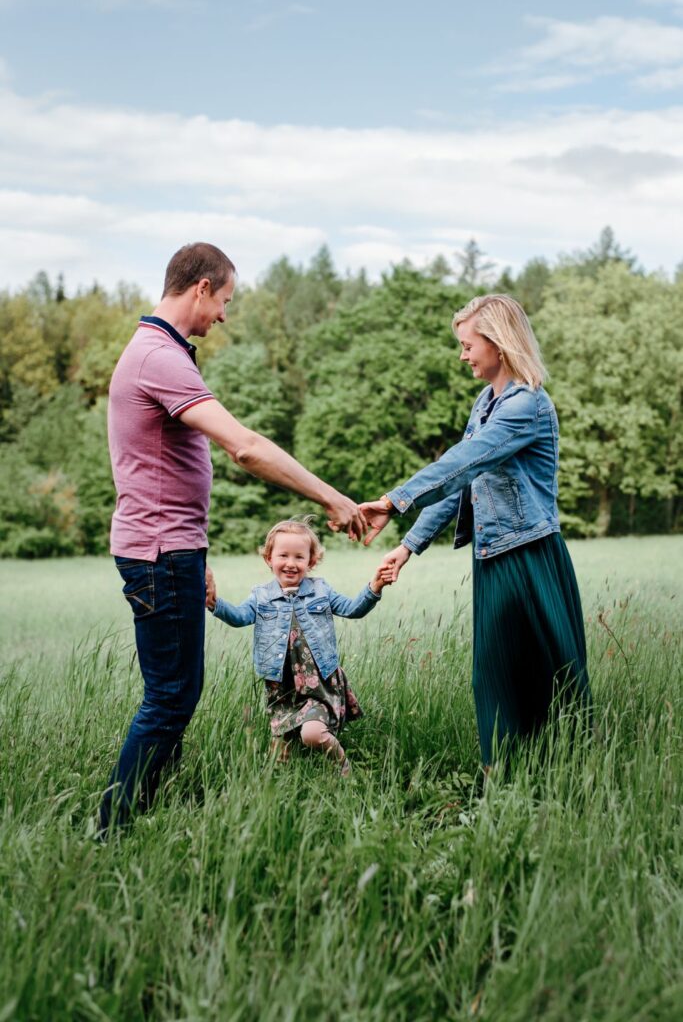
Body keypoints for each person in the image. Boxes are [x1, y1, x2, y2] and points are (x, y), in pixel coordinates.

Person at [100, 243, 366, 831]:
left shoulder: (160, 353)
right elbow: (244, 446)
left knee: (175, 693)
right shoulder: (158, 356)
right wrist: (332, 498)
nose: (223, 314)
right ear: (199, 287)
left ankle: (147, 810)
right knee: (169, 697)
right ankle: (112, 827)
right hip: (160, 552)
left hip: (171, 550)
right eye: (223, 299)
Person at [360, 294, 592, 769]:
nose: (462, 355)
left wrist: (393, 500)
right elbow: (458, 483)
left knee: (551, 674)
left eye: (468, 345)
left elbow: (463, 461)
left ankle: (572, 774)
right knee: (495, 675)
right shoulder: (485, 403)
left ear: (499, 344)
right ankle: (504, 779)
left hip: (530, 556)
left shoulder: (525, 405)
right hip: (494, 559)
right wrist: (407, 547)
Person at [207, 518, 391, 776]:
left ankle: (345, 770)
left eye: (299, 557)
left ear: (311, 561)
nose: (291, 563)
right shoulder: (261, 596)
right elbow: (238, 617)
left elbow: (352, 609)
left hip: (319, 683)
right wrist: (214, 603)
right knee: (278, 760)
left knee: (313, 735)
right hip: (282, 686)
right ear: (269, 558)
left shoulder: (321, 590)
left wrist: (375, 586)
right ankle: (281, 787)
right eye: (283, 555)